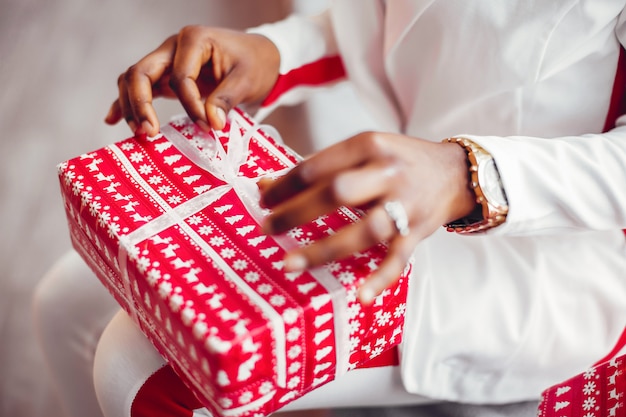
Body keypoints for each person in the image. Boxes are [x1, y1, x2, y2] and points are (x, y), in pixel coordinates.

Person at [33, 1, 626, 417]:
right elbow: (399, 22)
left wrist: (469, 175)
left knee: (136, 373)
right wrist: (275, 51)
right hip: (400, 177)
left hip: (549, 256)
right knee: (63, 300)